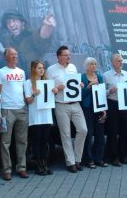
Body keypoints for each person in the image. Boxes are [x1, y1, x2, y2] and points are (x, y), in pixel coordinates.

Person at [46, 45, 87, 173]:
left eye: (69, 54)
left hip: (75, 104)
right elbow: (47, 89)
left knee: (83, 130)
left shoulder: (73, 67)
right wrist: (57, 88)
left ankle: (78, 159)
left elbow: (74, 86)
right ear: (59, 57)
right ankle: (70, 162)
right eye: (66, 55)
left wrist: (80, 85)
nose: (69, 56)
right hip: (61, 105)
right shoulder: (51, 70)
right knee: (66, 134)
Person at [0, 47, 28, 180]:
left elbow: (25, 91)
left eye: (16, 54)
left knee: (22, 141)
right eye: (12, 54)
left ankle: (21, 168)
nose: (15, 56)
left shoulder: (22, 72)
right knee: (5, 142)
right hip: (6, 110)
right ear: (6, 57)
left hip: (22, 110)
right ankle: (7, 170)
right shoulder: (0, 72)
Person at [24, 60, 54, 175]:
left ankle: (44, 163)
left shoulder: (47, 82)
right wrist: (33, 94)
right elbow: (28, 101)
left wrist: (54, 91)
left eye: (43, 68)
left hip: (46, 115)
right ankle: (38, 164)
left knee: (44, 140)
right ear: (33, 69)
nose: (42, 70)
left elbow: (50, 97)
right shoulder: (28, 83)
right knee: (37, 141)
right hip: (36, 116)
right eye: (39, 68)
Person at [103, 53, 127, 166]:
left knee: (124, 132)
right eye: (118, 61)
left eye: (122, 60)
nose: (121, 62)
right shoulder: (106, 75)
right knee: (113, 132)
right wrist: (109, 91)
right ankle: (113, 157)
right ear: (113, 62)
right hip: (112, 104)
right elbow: (101, 93)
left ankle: (123, 156)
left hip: (125, 105)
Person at [80, 57, 107, 169]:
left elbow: (102, 94)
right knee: (88, 134)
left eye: (95, 64)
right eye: (91, 64)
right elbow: (80, 95)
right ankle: (88, 159)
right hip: (87, 108)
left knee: (100, 135)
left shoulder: (100, 77)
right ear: (86, 66)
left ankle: (99, 158)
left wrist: (104, 110)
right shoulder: (82, 77)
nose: (94, 66)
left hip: (98, 108)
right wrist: (89, 86)